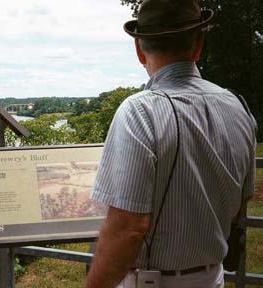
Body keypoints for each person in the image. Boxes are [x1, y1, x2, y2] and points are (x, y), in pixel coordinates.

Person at [84, 0, 257, 287]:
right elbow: (240, 201)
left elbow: (128, 229)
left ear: (139, 50)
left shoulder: (139, 113)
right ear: (198, 44)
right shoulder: (237, 107)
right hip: (213, 278)